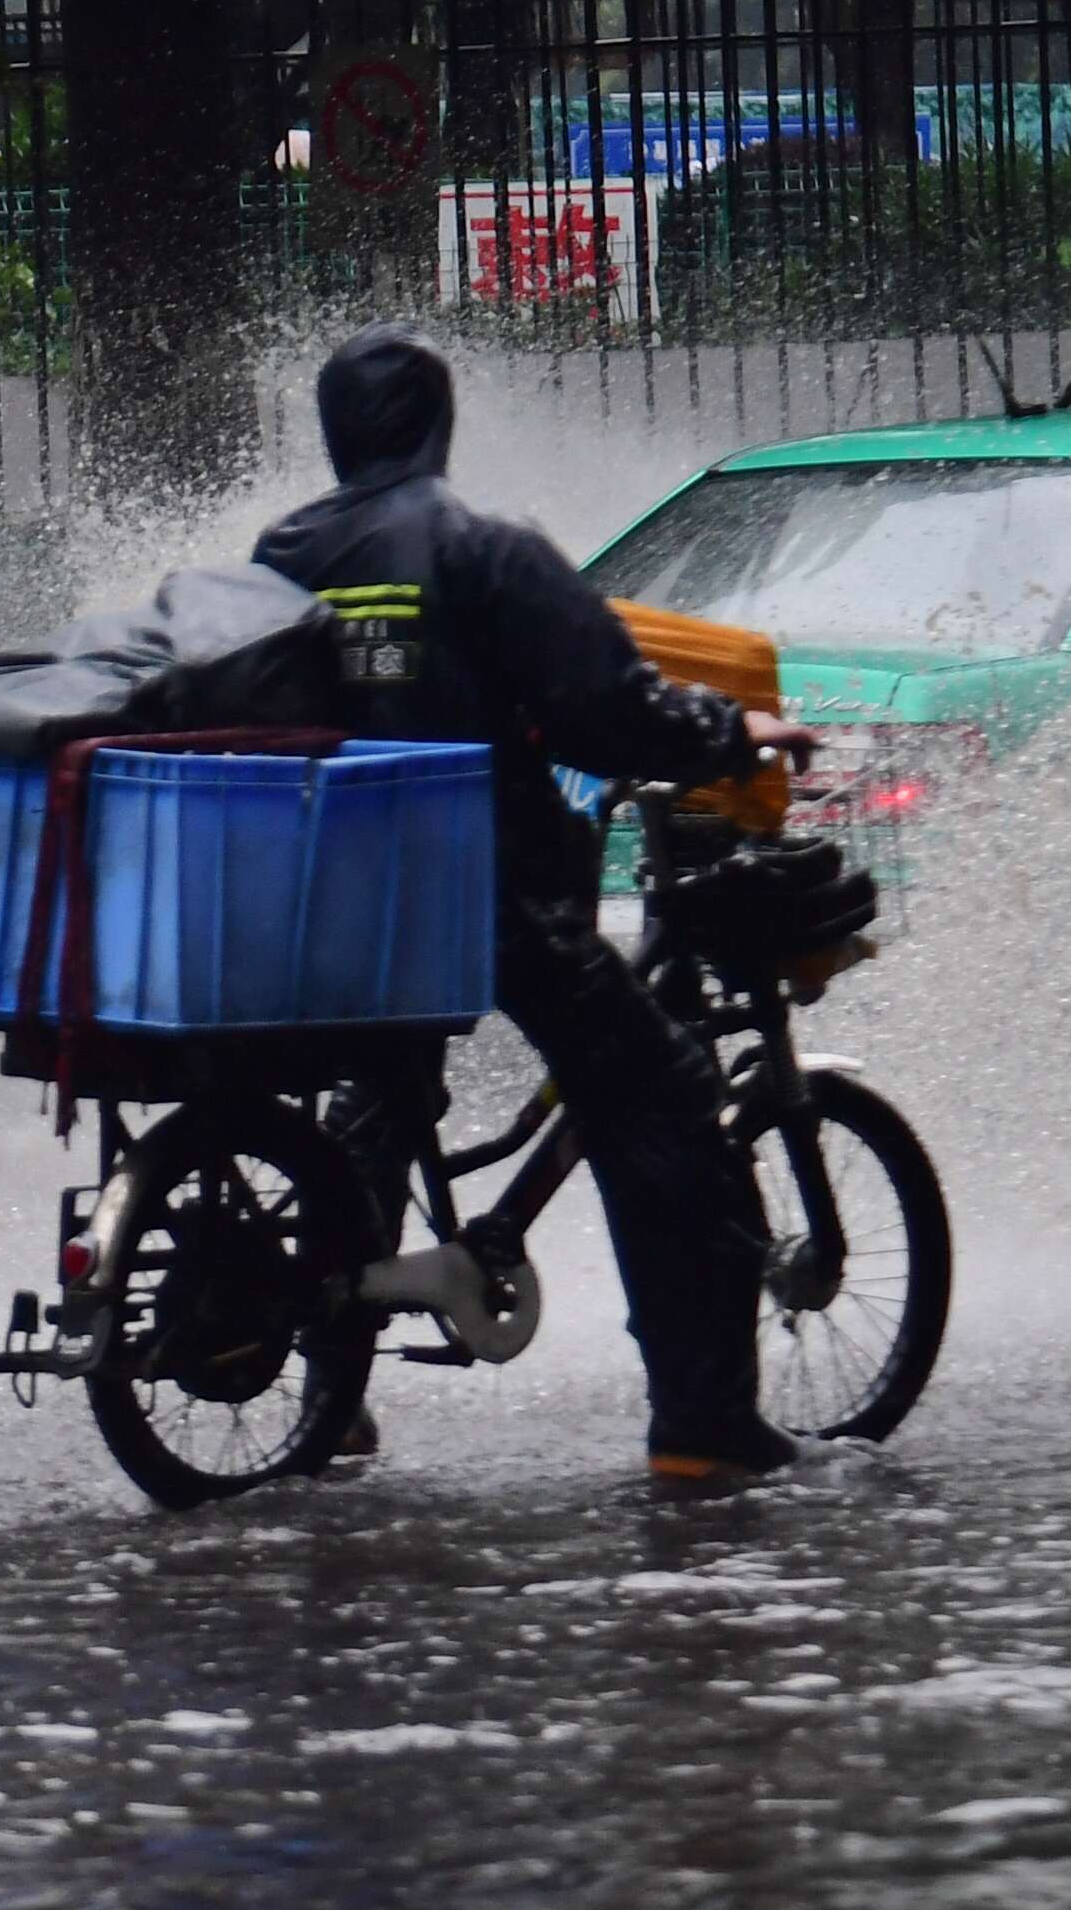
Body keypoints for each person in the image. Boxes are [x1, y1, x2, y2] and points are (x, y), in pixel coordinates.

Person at [254, 326, 811, 1486]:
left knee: (377, 1108)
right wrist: (730, 729)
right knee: (659, 1101)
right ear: (436, 424)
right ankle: (704, 1425)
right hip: (492, 893)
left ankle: (329, 1401)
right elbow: (607, 705)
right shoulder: (481, 549)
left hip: (341, 895)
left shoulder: (286, 551)